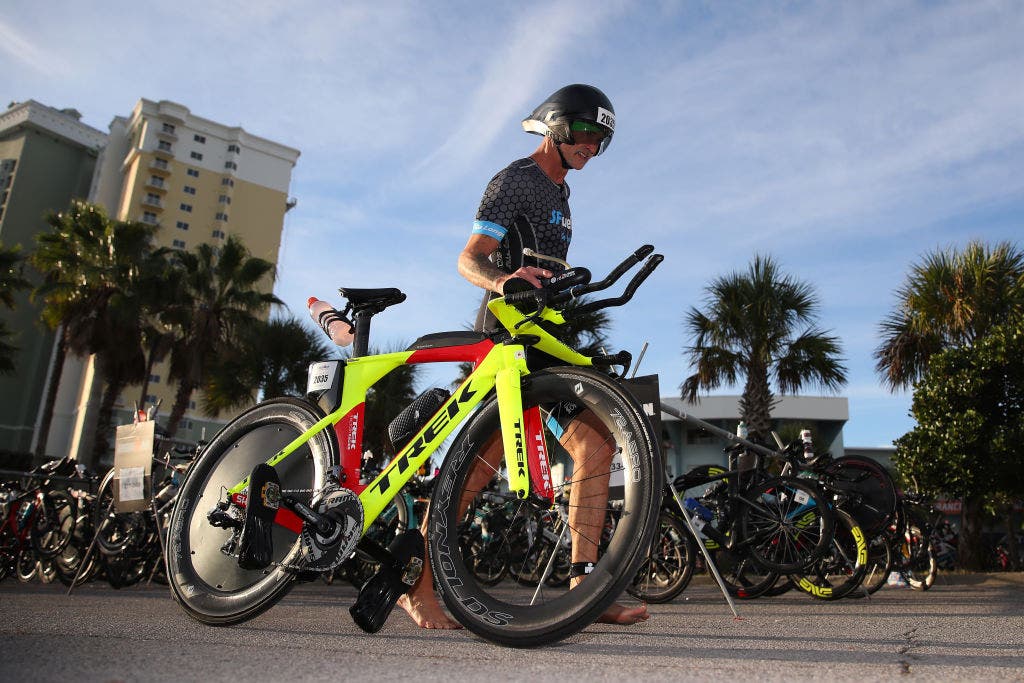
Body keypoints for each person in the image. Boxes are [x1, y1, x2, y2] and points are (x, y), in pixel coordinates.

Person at [397, 84, 649, 629]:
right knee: (480, 465)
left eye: (601, 141)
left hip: (543, 335)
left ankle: (584, 588)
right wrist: (504, 279)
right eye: (584, 134)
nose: (591, 148)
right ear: (556, 128)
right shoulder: (517, 180)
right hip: (506, 337)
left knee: (593, 443)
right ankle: (416, 585)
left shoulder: (561, 196)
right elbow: (469, 259)